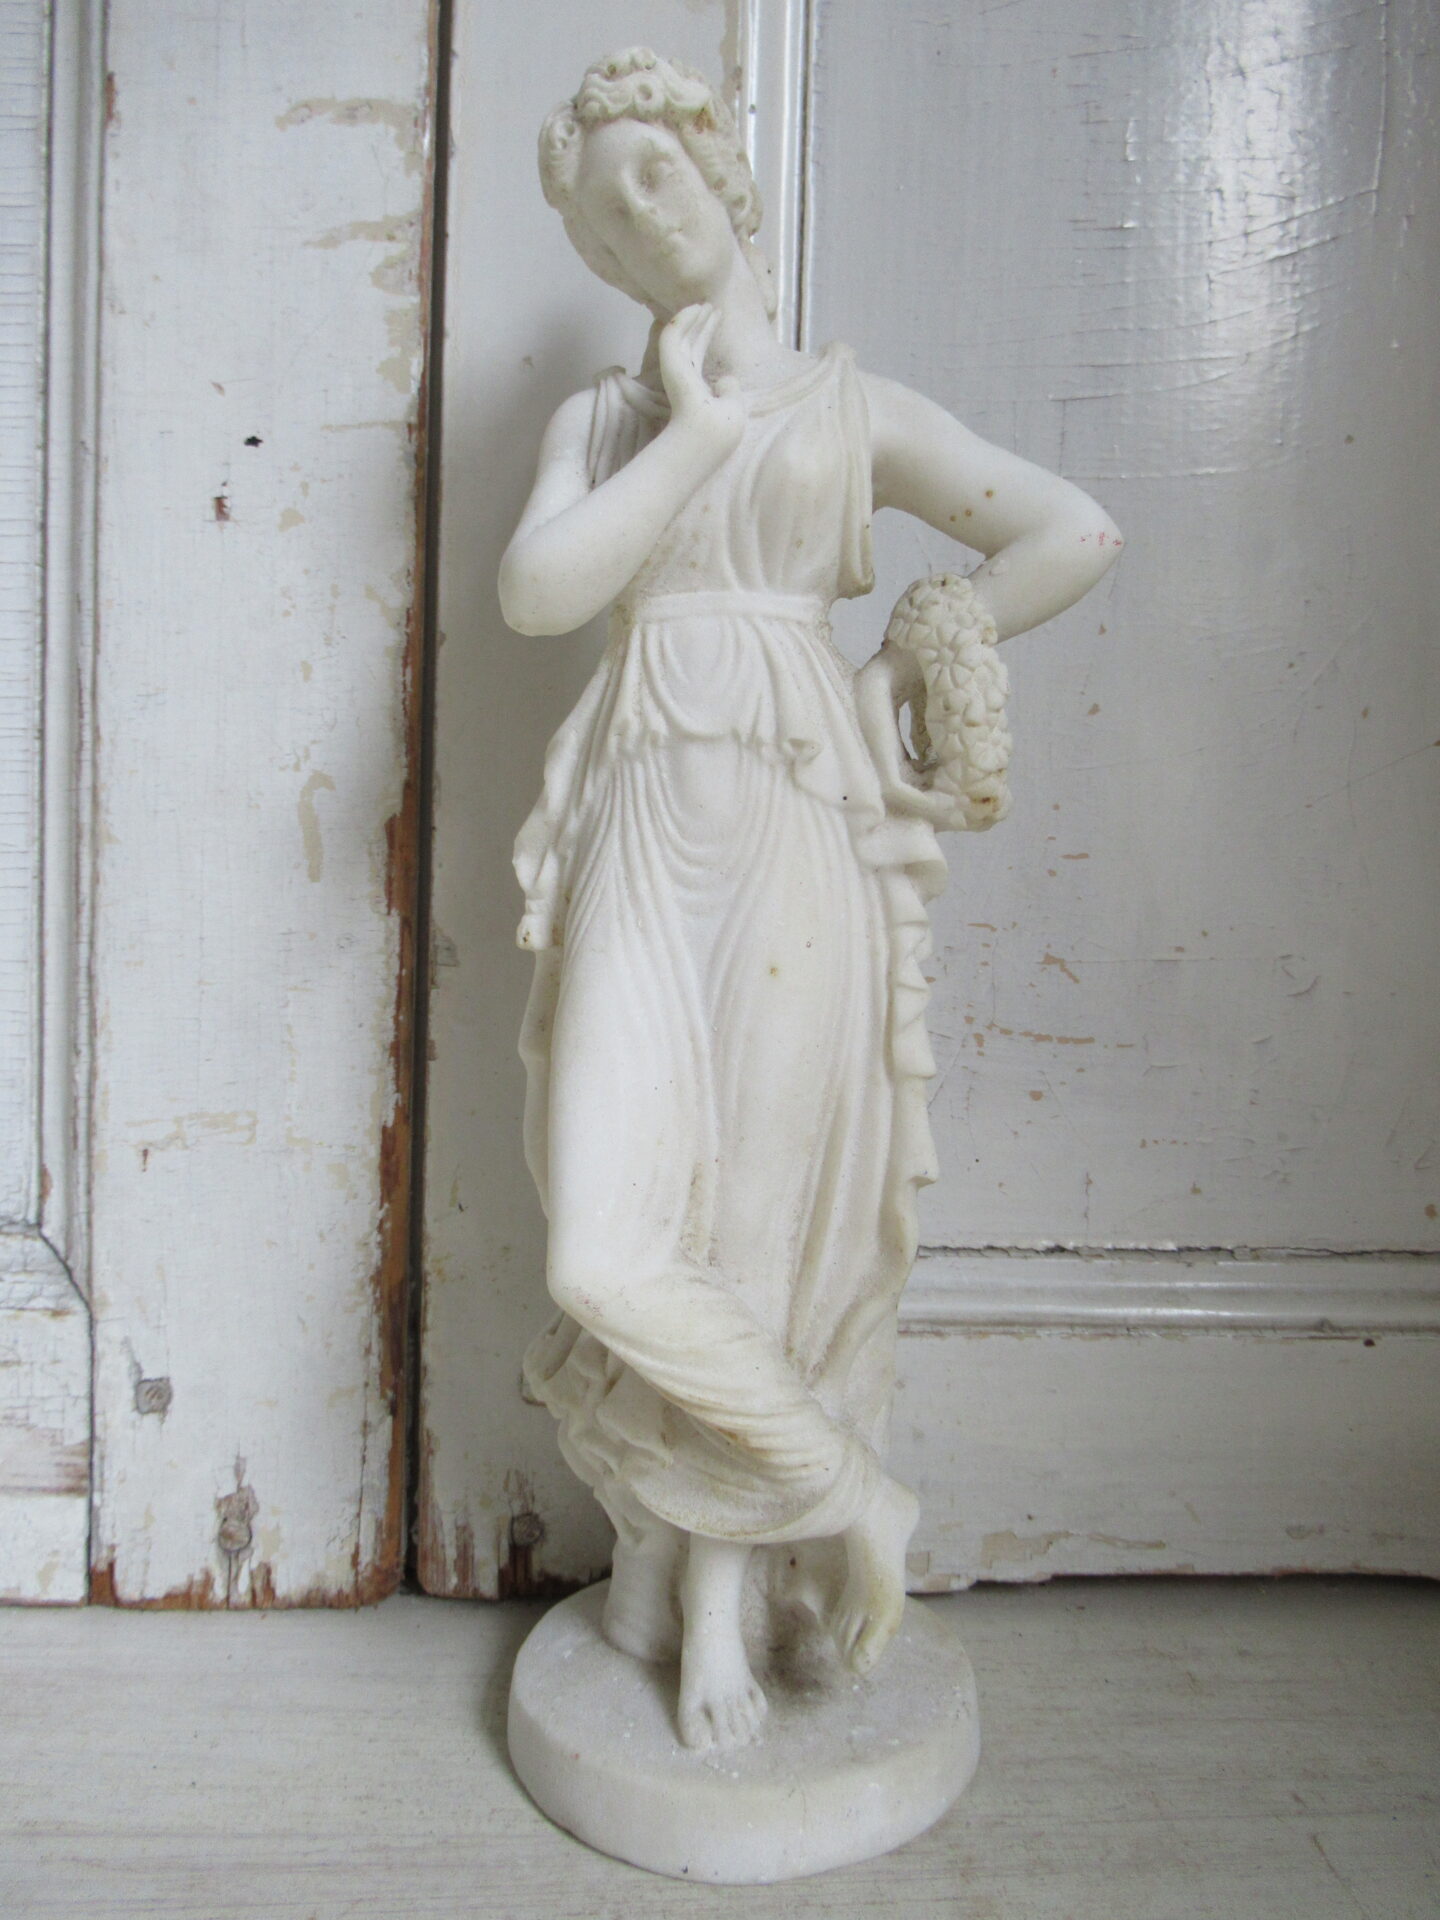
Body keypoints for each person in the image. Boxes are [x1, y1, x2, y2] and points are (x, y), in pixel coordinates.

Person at [499, 48, 1121, 1753]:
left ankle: (711, 1603)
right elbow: (541, 590)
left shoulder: (856, 410)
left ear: (721, 165)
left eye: (654, 172)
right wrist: (697, 429)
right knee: (607, 1245)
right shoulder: (606, 422)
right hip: (644, 820)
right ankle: (852, 1496)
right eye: (599, 219)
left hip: (793, 824)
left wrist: (905, 664)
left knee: (757, 1236)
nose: (635, 221)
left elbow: (1072, 532)